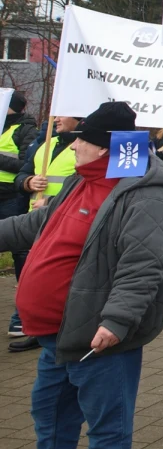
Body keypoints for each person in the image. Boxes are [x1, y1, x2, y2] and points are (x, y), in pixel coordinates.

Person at [0, 102, 163, 449]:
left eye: (80, 140)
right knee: (50, 421)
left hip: (98, 340)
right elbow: (35, 225)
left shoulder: (143, 195)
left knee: (107, 432)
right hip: (57, 338)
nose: (73, 145)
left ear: (103, 147)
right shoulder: (79, 182)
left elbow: (143, 265)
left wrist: (116, 321)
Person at [7, 114, 81, 352]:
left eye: (61, 114)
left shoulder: (84, 147)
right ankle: (35, 328)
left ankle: (52, 329)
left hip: (65, 223)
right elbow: (21, 175)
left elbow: (88, 187)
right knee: (32, 272)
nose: (55, 118)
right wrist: (27, 182)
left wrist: (51, 203)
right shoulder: (43, 144)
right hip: (34, 223)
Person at [0, 91, 39, 340]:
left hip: (10, 197)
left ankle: (24, 308)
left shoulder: (26, 129)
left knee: (19, 250)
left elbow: (25, 163)